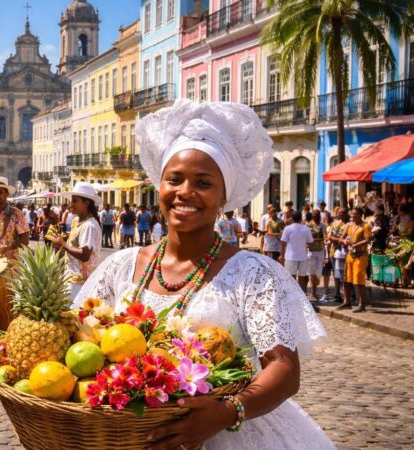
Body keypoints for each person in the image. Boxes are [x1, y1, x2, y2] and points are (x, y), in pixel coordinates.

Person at [75, 100, 332, 449]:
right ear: (160, 185)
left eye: (203, 183)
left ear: (225, 196)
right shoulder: (122, 265)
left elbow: (284, 370)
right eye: (174, 179)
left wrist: (227, 413)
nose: (185, 192)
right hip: (127, 435)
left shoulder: (253, 275)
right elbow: (76, 337)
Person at [48, 183, 103, 300]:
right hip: (70, 278)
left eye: (75, 201)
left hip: (81, 283)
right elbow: (72, 248)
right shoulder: (76, 221)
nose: (70, 204)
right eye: (71, 201)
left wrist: (63, 244)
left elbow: (84, 254)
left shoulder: (89, 225)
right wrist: (60, 244)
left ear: (86, 203)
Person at [341, 207, 372, 312]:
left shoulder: (366, 226)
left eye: (355, 214)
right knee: (347, 279)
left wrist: (355, 244)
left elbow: (368, 240)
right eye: (352, 214)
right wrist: (344, 241)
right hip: (350, 255)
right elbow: (342, 237)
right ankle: (347, 302)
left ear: (360, 215)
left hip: (361, 255)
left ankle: (361, 304)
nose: (352, 215)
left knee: (359, 280)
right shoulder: (349, 225)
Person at [280, 211, 314, 292]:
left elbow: (282, 242)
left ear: (292, 218)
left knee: (291, 277)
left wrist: (282, 255)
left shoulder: (287, 228)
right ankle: (301, 296)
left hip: (290, 257)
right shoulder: (306, 229)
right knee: (302, 277)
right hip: (303, 257)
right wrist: (310, 249)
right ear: (301, 218)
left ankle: (292, 294)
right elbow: (311, 242)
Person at [306, 210, 328, 301]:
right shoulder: (308, 225)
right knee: (312, 272)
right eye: (314, 215)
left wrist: (313, 239)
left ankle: (315, 290)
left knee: (318, 272)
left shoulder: (322, 226)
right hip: (311, 251)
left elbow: (324, 238)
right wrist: (316, 239)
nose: (316, 216)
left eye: (317, 215)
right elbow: (307, 239)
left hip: (320, 251)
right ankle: (313, 293)